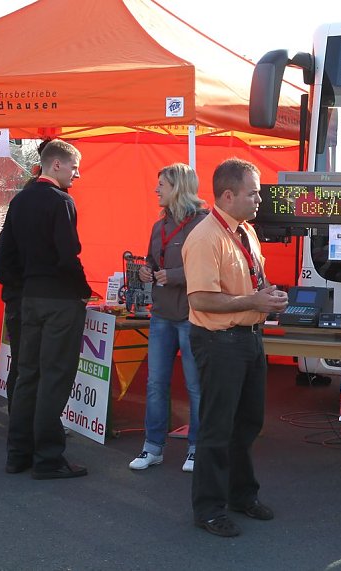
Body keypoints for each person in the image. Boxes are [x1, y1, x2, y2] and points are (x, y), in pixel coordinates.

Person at [182, 158, 288, 538]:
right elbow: (202, 299)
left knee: (246, 424)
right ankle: (209, 509)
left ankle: (242, 494)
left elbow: (248, 283)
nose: (260, 198)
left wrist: (267, 295)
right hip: (220, 341)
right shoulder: (205, 237)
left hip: (246, 339)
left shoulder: (245, 231)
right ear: (228, 195)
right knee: (217, 427)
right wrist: (254, 302)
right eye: (253, 192)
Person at [0, 139, 91, 480]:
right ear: (56, 165)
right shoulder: (60, 201)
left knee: (27, 376)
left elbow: (5, 251)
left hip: (29, 298)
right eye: (74, 167)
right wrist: (83, 291)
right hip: (58, 300)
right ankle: (48, 458)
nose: (77, 174)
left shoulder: (20, 200)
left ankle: (18, 452)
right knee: (54, 377)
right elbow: (68, 255)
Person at [128, 163, 210, 473]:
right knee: (155, 384)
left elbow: (209, 269)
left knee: (195, 386)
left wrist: (171, 275)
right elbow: (151, 260)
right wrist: (147, 271)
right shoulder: (158, 226)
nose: (156, 189)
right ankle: (153, 447)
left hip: (191, 316)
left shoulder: (203, 223)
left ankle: (196, 447)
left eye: (161, 184)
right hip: (161, 314)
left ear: (177, 187)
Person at [0, 139, 51, 411]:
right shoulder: (32, 201)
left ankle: (23, 418)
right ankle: (22, 419)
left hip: (25, 297)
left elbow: (3, 259)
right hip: (26, 299)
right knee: (26, 362)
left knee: (25, 361)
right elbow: (4, 260)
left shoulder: (22, 200)